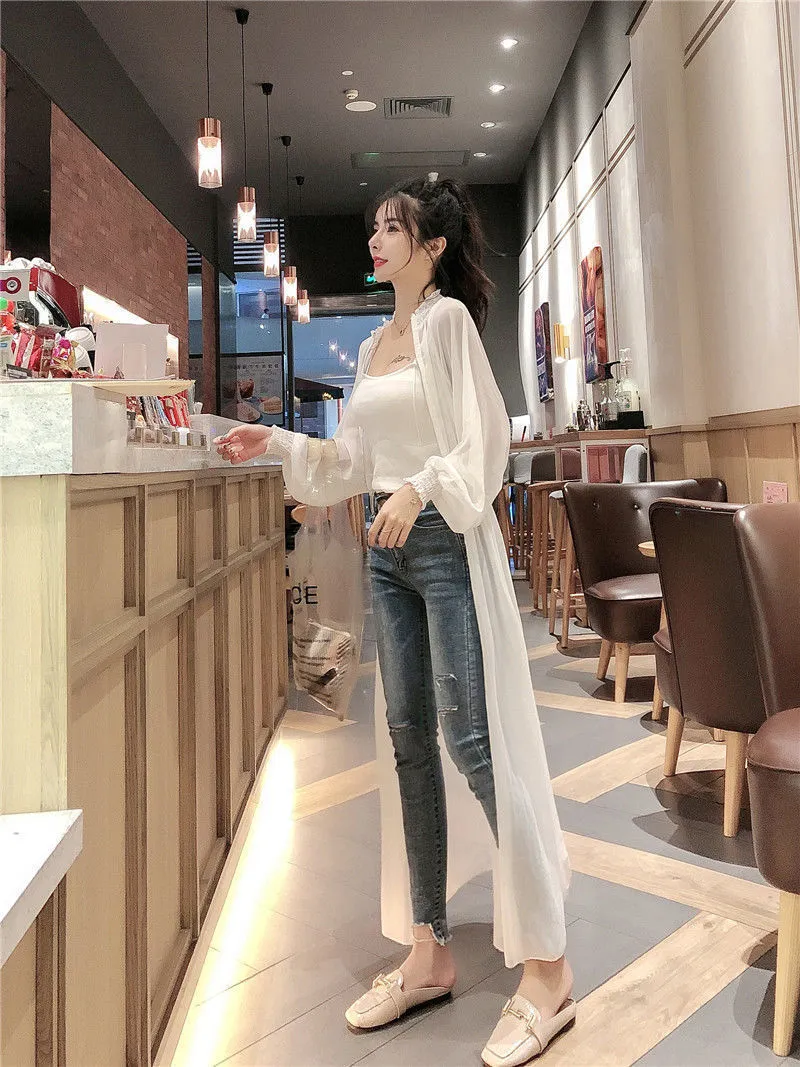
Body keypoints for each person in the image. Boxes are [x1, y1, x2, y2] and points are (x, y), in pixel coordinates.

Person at [215, 176, 573, 1066]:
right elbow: (352, 460)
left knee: (470, 738)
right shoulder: (376, 343)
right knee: (408, 740)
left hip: (442, 544)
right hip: (385, 549)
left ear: (432, 245)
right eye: (373, 226)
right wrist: (280, 444)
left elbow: (481, 445)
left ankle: (551, 970)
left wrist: (421, 487)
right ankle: (428, 948)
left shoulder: (448, 324)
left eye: (392, 227)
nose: (375, 240)